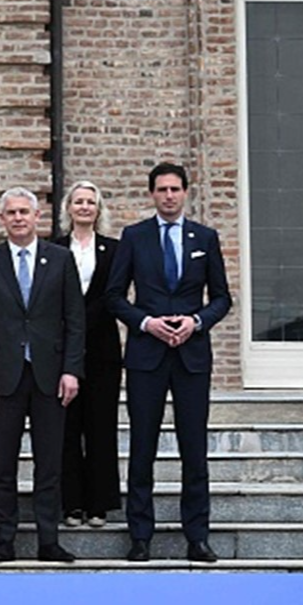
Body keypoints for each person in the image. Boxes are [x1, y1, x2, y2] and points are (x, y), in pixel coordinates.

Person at [107, 162, 232, 563]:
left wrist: (196, 323)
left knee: (193, 448)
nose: (168, 196)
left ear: (185, 192)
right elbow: (114, 296)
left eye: (175, 189)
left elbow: (222, 298)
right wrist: (147, 323)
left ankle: (197, 536)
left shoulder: (205, 238)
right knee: (142, 446)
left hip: (192, 356)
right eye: (161, 189)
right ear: (152, 194)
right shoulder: (135, 237)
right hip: (147, 354)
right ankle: (140, 536)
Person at [0, 188, 84, 563]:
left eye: (24, 212)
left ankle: (48, 539)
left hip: (50, 375)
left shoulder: (60, 259)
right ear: (2, 220)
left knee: (49, 462)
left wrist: (71, 370)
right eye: (11, 213)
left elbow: (75, 321)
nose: (18, 218)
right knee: (4, 463)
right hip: (4, 378)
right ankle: (5, 539)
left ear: (38, 217)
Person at [53, 180, 123, 528]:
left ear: (98, 209)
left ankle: (99, 503)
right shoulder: (53, 248)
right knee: (66, 426)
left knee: (100, 425)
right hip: (62, 349)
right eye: (78, 201)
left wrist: (84, 317)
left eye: (90, 202)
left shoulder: (114, 249)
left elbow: (116, 294)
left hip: (102, 349)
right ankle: (71, 504)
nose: (84, 207)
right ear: (68, 208)